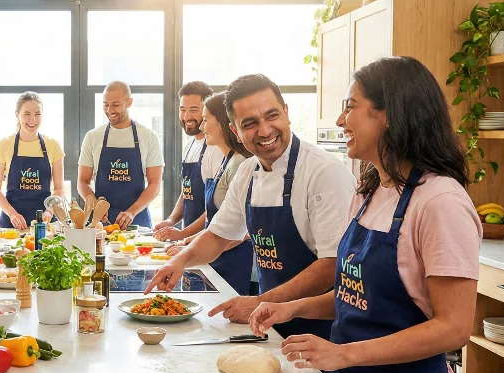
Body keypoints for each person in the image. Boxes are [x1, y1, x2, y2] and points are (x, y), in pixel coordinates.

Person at [254, 56, 480, 373]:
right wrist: (293, 308)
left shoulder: (440, 203)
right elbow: (357, 295)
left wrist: (345, 353)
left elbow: (455, 327)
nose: (341, 118)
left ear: (390, 114)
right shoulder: (372, 188)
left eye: (351, 105)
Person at [146, 74, 354, 338]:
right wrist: (180, 260)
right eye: (251, 123)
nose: (265, 131)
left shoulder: (323, 172)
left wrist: (260, 301)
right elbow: (219, 236)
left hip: (319, 332)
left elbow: (332, 264)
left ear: (287, 113)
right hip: (271, 325)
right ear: (235, 131)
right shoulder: (248, 172)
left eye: (272, 116)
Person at [162, 93, 252, 293]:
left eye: (205, 120)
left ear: (222, 123)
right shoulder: (226, 161)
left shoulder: (239, 164)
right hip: (215, 258)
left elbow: (240, 231)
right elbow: (218, 223)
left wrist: (189, 247)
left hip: (233, 263)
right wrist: (188, 243)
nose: (201, 127)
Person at [77, 81, 164, 229]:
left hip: (137, 221)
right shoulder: (93, 137)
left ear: (129, 102)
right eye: (105, 104)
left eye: (115, 104)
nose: (110, 110)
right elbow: (82, 182)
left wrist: (131, 212)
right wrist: (96, 205)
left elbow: (155, 184)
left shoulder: (148, 136)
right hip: (100, 223)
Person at [154, 81, 221, 236]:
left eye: (193, 110)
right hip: (189, 241)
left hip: (209, 239)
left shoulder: (215, 148)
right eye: (182, 110)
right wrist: (171, 220)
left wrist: (182, 234)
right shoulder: (189, 146)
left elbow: (217, 207)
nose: (186, 116)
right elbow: (187, 191)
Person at [0, 92, 65, 229]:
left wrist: (50, 210)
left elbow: (59, 189)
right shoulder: (4, 145)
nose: (33, 119)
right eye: (27, 114)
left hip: (46, 223)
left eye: (37, 114)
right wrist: (12, 214)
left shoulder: (53, 145)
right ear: (17, 114)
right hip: (12, 223)